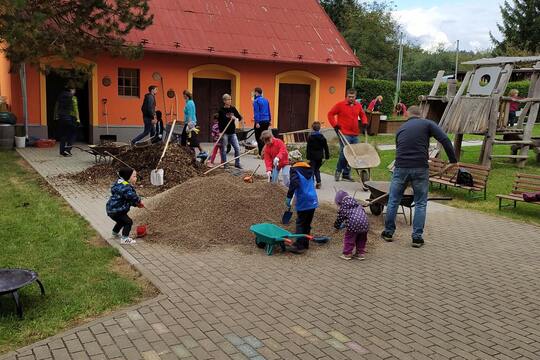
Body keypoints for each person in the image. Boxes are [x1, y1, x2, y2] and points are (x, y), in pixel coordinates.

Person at [381, 105, 457, 248]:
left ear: (407, 115)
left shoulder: (401, 129)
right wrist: (453, 160)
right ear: (420, 115)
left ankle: (388, 232)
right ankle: (417, 238)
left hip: (401, 167)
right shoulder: (427, 123)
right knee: (421, 203)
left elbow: (399, 148)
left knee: (393, 200)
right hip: (420, 168)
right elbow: (445, 139)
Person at [327, 88, 368, 181]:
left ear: (355, 97)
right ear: (347, 96)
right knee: (344, 153)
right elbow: (330, 114)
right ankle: (338, 171)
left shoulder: (358, 105)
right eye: (349, 96)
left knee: (353, 155)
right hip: (344, 133)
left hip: (355, 134)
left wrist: (364, 122)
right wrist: (335, 125)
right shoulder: (340, 105)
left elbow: (362, 115)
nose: (351, 98)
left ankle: (346, 174)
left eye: (353, 97)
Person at [285, 157, 319, 254]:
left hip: (303, 199)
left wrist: (289, 196)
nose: (289, 162)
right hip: (313, 199)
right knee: (307, 223)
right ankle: (305, 244)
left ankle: (299, 246)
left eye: (290, 160)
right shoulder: (309, 168)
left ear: (294, 161)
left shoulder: (294, 169)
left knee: (300, 223)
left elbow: (294, 183)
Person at [106, 167, 143, 245]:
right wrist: (138, 202)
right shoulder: (126, 188)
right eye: (134, 176)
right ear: (127, 177)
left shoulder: (120, 183)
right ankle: (125, 239)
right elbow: (132, 197)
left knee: (121, 221)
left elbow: (128, 199)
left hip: (111, 209)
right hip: (117, 210)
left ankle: (114, 233)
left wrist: (136, 204)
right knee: (128, 222)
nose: (136, 178)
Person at [334, 190, 369, 261]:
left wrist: (337, 226)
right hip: (365, 224)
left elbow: (340, 218)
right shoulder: (357, 204)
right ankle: (360, 254)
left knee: (349, 238)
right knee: (361, 239)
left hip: (353, 225)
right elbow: (362, 213)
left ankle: (347, 254)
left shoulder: (344, 207)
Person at [218, 94, 243, 169]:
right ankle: (225, 164)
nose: (230, 101)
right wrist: (220, 132)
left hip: (232, 132)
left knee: (237, 148)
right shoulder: (221, 110)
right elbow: (220, 122)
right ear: (224, 101)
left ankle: (237, 163)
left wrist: (236, 118)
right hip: (224, 132)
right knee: (224, 149)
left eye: (230, 99)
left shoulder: (233, 108)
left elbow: (239, 117)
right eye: (228, 99)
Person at [54, 86, 80, 156]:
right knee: (73, 134)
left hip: (61, 117)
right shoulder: (73, 98)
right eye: (74, 90)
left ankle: (62, 151)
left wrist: (56, 117)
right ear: (71, 90)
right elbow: (75, 109)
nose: (74, 91)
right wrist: (78, 119)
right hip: (70, 118)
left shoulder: (60, 97)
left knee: (63, 135)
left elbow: (56, 107)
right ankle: (68, 150)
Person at [306, 121, 330, 189]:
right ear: (319, 129)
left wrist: (307, 156)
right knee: (317, 169)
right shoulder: (322, 137)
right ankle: (318, 182)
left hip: (312, 156)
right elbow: (326, 147)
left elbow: (308, 148)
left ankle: (311, 183)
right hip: (320, 156)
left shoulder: (310, 138)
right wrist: (327, 156)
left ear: (312, 129)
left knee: (312, 169)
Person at [253, 87, 271, 156]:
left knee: (258, 138)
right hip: (266, 121)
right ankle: (266, 152)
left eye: (254, 92)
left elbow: (256, 112)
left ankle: (261, 153)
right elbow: (269, 110)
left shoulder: (256, 101)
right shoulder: (266, 100)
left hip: (260, 121)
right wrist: (269, 120)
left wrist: (257, 122)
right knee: (264, 137)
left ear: (256, 92)